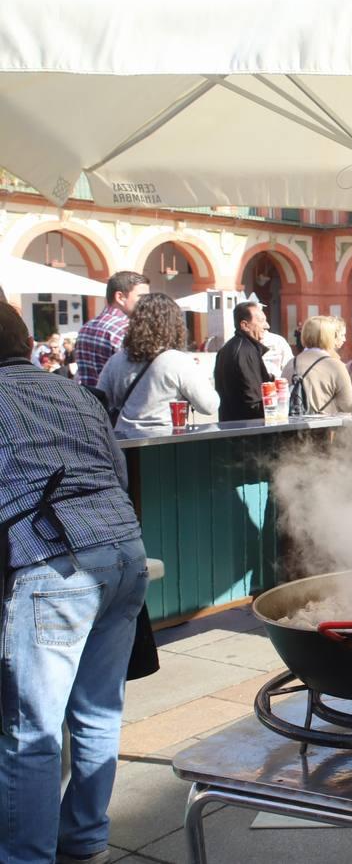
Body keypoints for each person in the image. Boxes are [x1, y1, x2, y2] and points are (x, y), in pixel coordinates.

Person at [0, 302, 148, 864]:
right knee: (97, 711)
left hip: (54, 562)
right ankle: (85, 840)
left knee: (31, 732)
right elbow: (117, 473)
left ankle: (25, 856)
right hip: (123, 553)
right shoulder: (76, 393)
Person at [96, 292, 219, 428]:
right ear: (175, 325)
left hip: (124, 440)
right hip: (166, 439)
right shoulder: (177, 361)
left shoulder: (117, 360)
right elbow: (209, 406)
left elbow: (99, 401)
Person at [73, 271, 148, 388]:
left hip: (89, 401)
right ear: (120, 297)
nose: (147, 303)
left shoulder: (86, 327)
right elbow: (132, 377)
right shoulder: (125, 329)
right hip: (117, 403)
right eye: (142, 297)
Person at [281, 315, 352, 414]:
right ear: (329, 337)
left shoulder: (291, 363)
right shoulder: (335, 365)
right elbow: (348, 405)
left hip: (292, 426)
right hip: (324, 427)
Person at [213, 301, 269, 422]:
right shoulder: (246, 351)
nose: (267, 326)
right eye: (261, 321)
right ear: (245, 325)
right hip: (247, 429)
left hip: (229, 425)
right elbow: (253, 400)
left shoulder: (226, 349)